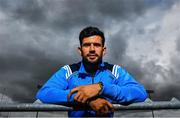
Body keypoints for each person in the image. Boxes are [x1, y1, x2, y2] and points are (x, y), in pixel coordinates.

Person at [36, 26, 148, 117]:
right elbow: (44, 93)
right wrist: (86, 99)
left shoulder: (115, 71)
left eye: (97, 45)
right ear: (80, 50)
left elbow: (140, 93)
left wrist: (101, 88)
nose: (92, 49)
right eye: (87, 45)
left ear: (103, 50)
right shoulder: (68, 71)